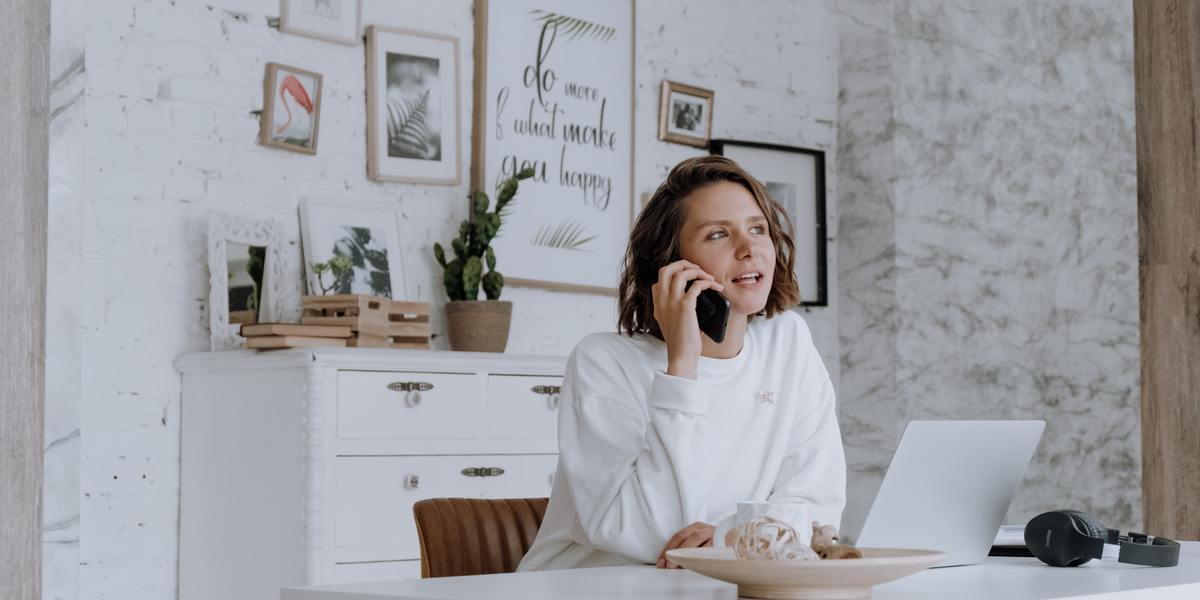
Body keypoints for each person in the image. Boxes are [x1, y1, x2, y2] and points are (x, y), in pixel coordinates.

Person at [517, 156, 846, 571]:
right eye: (719, 234)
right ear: (671, 264)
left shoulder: (789, 343)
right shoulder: (602, 362)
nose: (749, 249)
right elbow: (652, 533)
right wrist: (683, 364)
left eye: (758, 228)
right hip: (587, 586)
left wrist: (728, 538)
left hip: (713, 583)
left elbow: (817, 509)